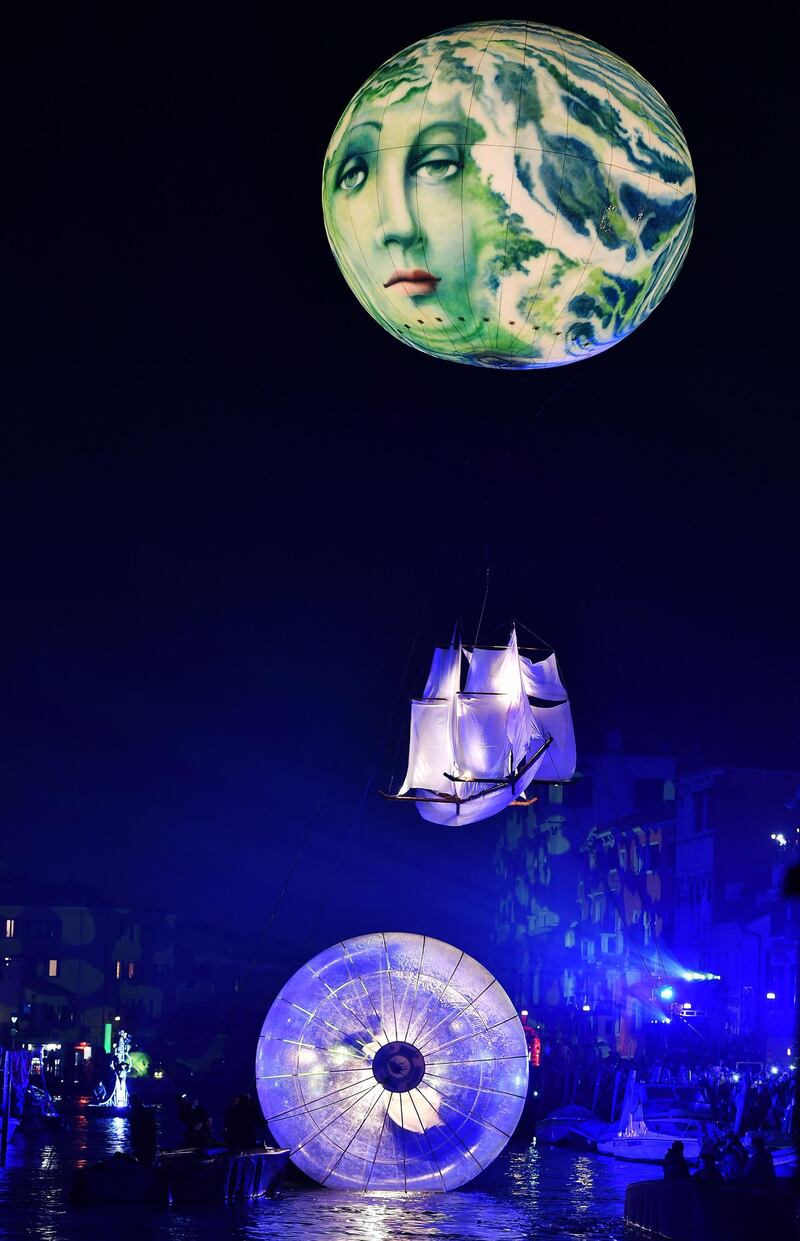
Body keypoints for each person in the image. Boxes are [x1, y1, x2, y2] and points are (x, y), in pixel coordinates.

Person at [129, 1096, 157, 1166]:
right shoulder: (145, 1114)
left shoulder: (139, 1115)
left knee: (144, 1162)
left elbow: (139, 1131)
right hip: (146, 1144)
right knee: (146, 1163)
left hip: (144, 1144)